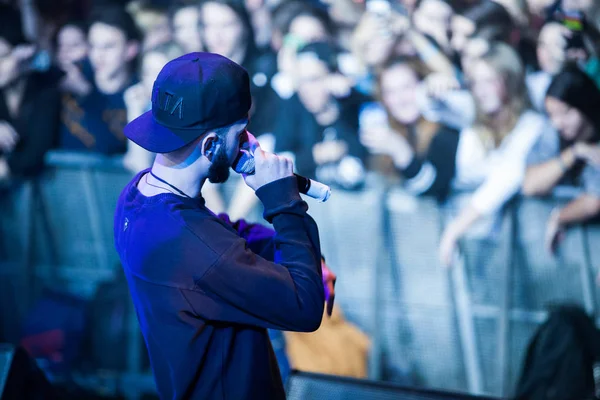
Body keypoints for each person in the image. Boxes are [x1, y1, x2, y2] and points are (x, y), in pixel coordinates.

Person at [114, 52, 326, 399]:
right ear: (211, 145)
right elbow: (304, 308)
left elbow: (221, 233)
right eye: (241, 133)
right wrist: (283, 202)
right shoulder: (190, 242)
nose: (248, 143)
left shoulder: (137, 197)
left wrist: (290, 254)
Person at [438, 43, 550, 266]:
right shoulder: (473, 119)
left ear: (510, 80)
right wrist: (433, 86)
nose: (481, 90)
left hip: (527, 247)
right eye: (475, 82)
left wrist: (456, 228)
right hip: (475, 240)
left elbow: (510, 175)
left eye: (489, 81)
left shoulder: (533, 125)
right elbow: (429, 104)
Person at [522, 66, 600, 253]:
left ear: (583, 105)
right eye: (552, 115)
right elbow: (530, 184)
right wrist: (575, 153)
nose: (557, 123)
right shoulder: (554, 134)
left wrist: (560, 216)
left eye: (564, 113)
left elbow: (594, 201)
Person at [58, 6, 141, 155]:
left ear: (131, 49)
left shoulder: (137, 95)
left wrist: (87, 95)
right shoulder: (74, 73)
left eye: (108, 47)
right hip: (57, 177)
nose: (98, 55)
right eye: (93, 46)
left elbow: (109, 147)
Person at [0, 4, 61, 183]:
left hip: (45, 199)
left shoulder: (45, 89)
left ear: (24, 52)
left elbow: (36, 151)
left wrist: (6, 167)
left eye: (3, 57)